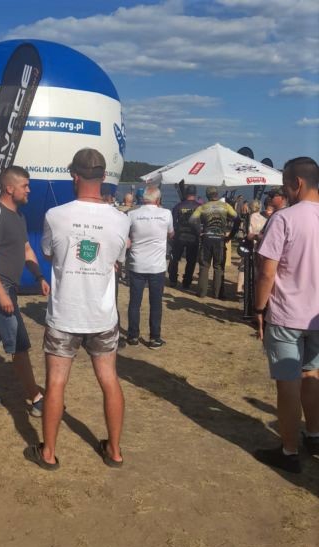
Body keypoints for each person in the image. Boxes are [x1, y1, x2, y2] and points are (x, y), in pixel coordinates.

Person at [23, 148, 129, 470]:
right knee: (109, 379)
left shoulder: (56, 216)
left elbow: (49, 253)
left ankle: (49, 453)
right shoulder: (121, 220)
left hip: (65, 314)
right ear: (104, 176)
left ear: (74, 176)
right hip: (102, 315)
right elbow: (117, 261)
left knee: (56, 383)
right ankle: (114, 451)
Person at [253, 157, 319, 473]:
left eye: (284, 185)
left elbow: (267, 271)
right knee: (312, 374)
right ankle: (314, 435)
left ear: (297, 183)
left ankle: (289, 450)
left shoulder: (284, 218)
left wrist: (258, 309)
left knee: (288, 383)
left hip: (287, 314)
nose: (284, 191)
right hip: (316, 316)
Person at [0, 166, 50, 414]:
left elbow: (27, 249)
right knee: (19, 344)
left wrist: (39, 276)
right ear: (9, 188)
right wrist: (1, 294)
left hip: (7, 289)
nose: (29, 190)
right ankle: (36, 399)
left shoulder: (19, 216)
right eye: (25, 186)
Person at [126, 186, 173, 349]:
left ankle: (133, 336)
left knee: (134, 302)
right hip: (156, 265)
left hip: (137, 263)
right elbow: (171, 233)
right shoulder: (166, 213)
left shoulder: (132, 214)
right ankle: (154, 338)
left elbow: (126, 236)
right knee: (156, 303)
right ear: (158, 200)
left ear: (143, 198)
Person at [190, 186, 240, 299]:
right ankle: (218, 294)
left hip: (207, 238)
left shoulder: (202, 207)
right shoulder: (225, 206)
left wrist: (199, 232)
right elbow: (237, 219)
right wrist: (231, 236)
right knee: (219, 267)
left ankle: (201, 292)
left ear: (207, 196)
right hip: (220, 239)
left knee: (204, 265)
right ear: (217, 194)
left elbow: (192, 220)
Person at [168, 184, 199, 289]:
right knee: (191, 261)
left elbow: (172, 222)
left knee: (175, 259)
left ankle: (173, 280)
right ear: (195, 194)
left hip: (180, 235)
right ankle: (187, 282)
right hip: (193, 236)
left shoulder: (178, 206)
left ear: (186, 194)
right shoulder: (199, 207)